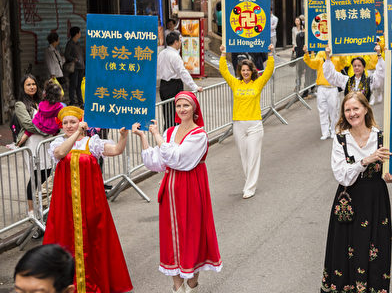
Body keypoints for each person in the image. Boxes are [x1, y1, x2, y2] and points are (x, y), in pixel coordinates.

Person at [134, 92, 222, 293]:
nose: (182, 109)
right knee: (171, 238)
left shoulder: (199, 135)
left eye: (186, 105)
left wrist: (157, 135)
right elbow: (157, 162)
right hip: (170, 192)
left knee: (192, 235)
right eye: (178, 106)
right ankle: (177, 288)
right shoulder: (170, 132)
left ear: (194, 108)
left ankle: (192, 286)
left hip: (192, 189)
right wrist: (144, 137)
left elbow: (178, 159)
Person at [44, 106, 132, 293]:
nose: (69, 125)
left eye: (73, 122)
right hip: (65, 203)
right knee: (65, 239)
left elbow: (116, 150)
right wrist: (77, 133)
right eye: (65, 123)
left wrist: (123, 136)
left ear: (80, 122)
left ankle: (94, 282)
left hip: (91, 201)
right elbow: (60, 154)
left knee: (94, 240)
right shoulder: (58, 143)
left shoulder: (92, 143)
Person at [320, 92, 392, 293]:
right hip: (349, 202)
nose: (352, 113)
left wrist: (391, 177)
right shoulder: (341, 139)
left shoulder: (382, 137)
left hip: (375, 202)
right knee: (345, 251)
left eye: (356, 108)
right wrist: (365, 160)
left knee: (375, 250)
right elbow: (342, 176)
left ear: (366, 109)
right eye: (347, 110)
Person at [219, 44, 274, 199]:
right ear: (240, 71)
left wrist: (270, 54)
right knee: (243, 156)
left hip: (254, 124)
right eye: (243, 70)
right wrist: (222, 54)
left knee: (253, 157)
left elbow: (269, 71)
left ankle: (250, 187)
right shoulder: (235, 83)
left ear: (252, 71)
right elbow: (224, 71)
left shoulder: (258, 83)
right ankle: (248, 181)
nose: (245, 72)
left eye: (248, 70)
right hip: (238, 124)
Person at [13, 74, 52, 219]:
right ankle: (31, 210)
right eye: (28, 85)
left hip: (45, 143)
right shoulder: (20, 104)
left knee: (47, 173)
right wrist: (46, 130)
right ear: (23, 87)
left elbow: (51, 118)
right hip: (32, 144)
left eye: (33, 84)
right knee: (35, 176)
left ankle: (44, 205)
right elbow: (28, 124)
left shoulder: (41, 101)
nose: (32, 87)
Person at [158, 31, 200, 128]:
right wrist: (195, 87)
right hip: (174, 86)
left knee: (167, 113)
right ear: (176, 42)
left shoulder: (161, 53)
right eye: (180, 40)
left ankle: (167, 133)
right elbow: (182, 72)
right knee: (175, 114)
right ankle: (173, 134)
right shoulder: (174, 56)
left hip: (163, 85)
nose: (181, 43)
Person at [19, 81, 64, 147]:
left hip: (39, 125)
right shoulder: (59, 106)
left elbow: (38, 116)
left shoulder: (41, 104)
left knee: (27, 132)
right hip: (52, 129)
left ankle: (18, 144)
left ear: (45, 94)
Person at [64, 26, 85, 106]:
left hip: (81, 67)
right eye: (79, 32)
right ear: (76, 34)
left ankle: (80, 102)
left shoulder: (78, 44)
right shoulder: (70, 44)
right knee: (73, 85)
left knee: (79, 85)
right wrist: (73, 59)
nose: (80, 34)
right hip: (74, 68)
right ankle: (72, 101)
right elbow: (66, 55)